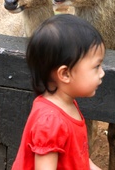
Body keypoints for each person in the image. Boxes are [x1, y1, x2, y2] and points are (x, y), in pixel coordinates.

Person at [12, 14, 105, 170]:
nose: (102, 73)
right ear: (65, 74)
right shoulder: (50, 122)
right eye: (96, 67)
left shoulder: (67, 104)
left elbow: (79, 157)